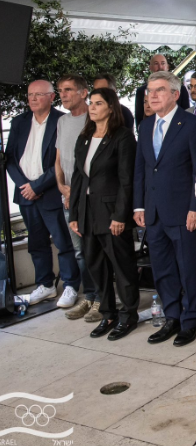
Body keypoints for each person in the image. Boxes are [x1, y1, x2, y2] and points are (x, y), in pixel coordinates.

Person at [134, 71, 196, 346]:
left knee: (188, 268)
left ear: (176, 94)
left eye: (159, 90)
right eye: (149, 91)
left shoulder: (191, 125)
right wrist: (139, 205)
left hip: (182, 211)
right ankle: (172, 317)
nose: (152, 95)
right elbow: (141, 169)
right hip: (153, 213)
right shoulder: (144, 126)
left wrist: (195, 207)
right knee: (163, 269)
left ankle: (190, 321)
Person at [68, 88, 140, 340]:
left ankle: (129, 314)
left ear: (111, 107)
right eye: (91, 103)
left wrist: (120, 215)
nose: (92, 107)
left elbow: (126, 180)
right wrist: (74, 214)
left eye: (98, 103)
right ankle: (108, 313)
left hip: (111, 212)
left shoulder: (122, 137)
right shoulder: (85, 136)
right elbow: (78, 176)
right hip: (87, 212)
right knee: (96, 266)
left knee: (122, 266)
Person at [8, 80, 81, 306]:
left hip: (50, 192)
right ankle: (45, 285)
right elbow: (10, 159)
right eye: (30, 95)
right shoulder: (19, 122)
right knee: (36, 242)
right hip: (25, 194)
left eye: (38, 95)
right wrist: (25, 186)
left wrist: (37, 186)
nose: (32, 99)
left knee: (62, 241)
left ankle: (70, 285)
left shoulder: (61, 120)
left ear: (51, 97)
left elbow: (63, 161)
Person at [54, 74, 100, 320]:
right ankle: (89, 296)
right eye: (61, 90)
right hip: (68, 196)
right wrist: (62, 187)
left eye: (69, 89)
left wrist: (79, 191)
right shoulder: (61, 122)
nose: (63, 94)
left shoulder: (94, 118)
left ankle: (102, 299)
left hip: (90, 196)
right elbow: (59, 159)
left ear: (84, 93)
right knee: (79, 250)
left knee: (96, 248)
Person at [135, 54, 190, 128]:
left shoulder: (180, 89)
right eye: (156, 63)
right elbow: (139, 118)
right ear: (150, 67)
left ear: (167, 67)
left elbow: (186, 113)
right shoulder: (141, 91)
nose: (160, 67)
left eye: (163, 63)